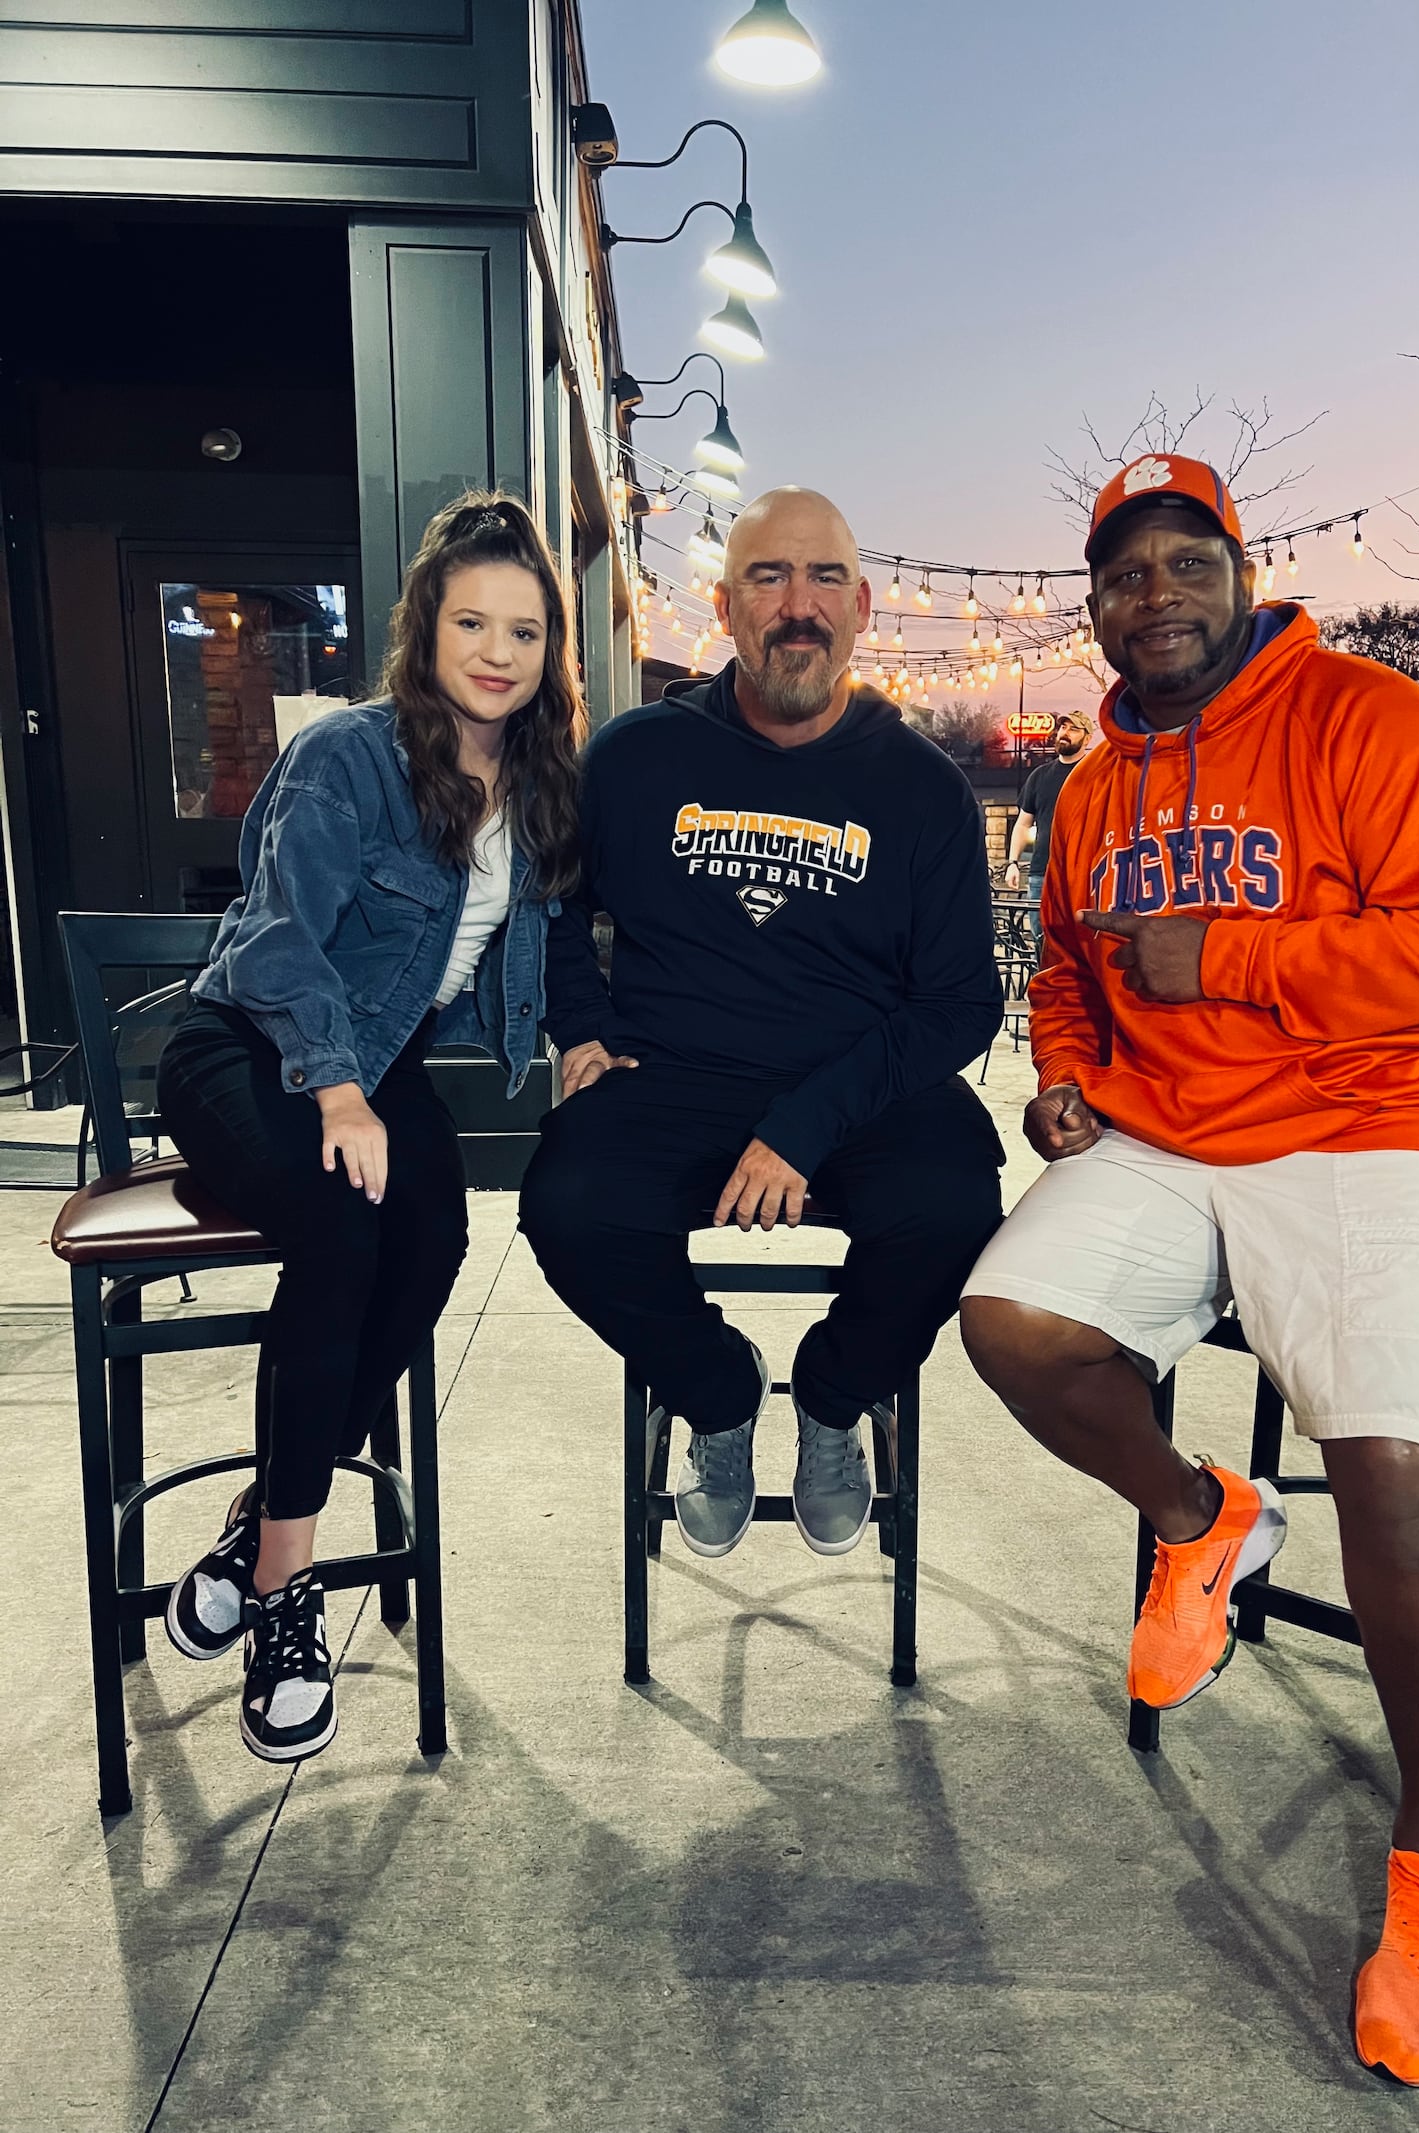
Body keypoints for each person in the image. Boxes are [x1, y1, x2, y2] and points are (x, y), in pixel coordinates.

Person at [958, 453, 1419, 2089]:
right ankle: (1202, 1514)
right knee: (1015, 1320)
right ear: (1096, 609)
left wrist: (1232, 954)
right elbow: (1068, 963)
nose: (1155, 594)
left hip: (1380, 1127)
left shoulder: (1366, 717)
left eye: (1182, 559)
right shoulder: (1089, 786)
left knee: (1399, 1479)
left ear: (1239, 566)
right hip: (1169, 1137)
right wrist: (1062, 1064)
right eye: (1123, 574)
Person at [156, 491, 627, 1764]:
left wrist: (572, 1039)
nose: (495, 652)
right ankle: (288, 1594)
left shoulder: (537, 784)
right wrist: (337, 1090)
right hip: (249, 1051)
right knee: (347, 1232)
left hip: (384, 1063)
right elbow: (275, 941)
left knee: (435, 1242)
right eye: (470, 621)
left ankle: (259, 1524)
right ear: (424, 629)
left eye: (524, 632)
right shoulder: (349, 756)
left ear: (550, 653)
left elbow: (537, 942)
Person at [520, 487, 1004, 1560]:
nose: (799, 605)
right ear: (725, 605)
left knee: (957, 1204)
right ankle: (720, 1395)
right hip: (669, 1075)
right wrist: (579, 1021)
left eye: (824, 577)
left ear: (863, 605)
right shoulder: (636, 756)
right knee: (567, 1205)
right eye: (768, 578)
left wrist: (804, 1125)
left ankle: (833, 1401)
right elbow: (547, 901)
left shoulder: (923, 789)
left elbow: (964, 999)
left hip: (861, 1090)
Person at [1004, 712, 1090, 938]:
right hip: (1041, 873)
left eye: (1073, 729)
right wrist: (1012, 862)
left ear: (1087, 739)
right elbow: (1023, 824)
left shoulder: (1095, 774)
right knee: (1041, 942)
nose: (1065, 733)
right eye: (1062, 728)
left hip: (1083, 875)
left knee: (1080, 944)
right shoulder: (1039, 776)